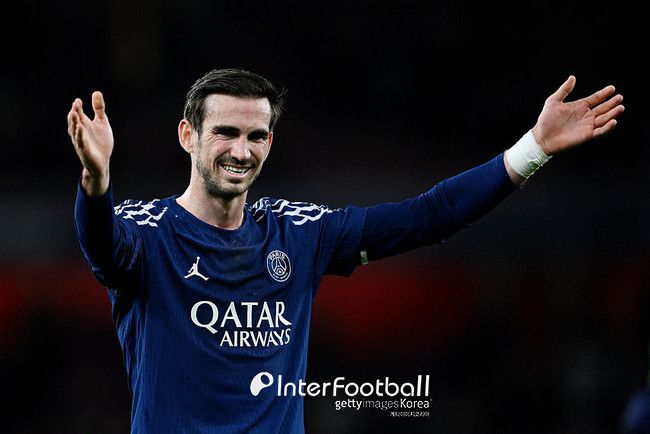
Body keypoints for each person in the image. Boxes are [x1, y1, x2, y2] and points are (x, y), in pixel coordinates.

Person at [67, 68, 624, 433]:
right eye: (226, 132)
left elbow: (425, 217)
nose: (242, 150)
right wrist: (96, 180)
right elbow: (102, 248)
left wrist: (534, 147)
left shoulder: (298, 232)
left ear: (270, 143)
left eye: (256, 136)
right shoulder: (147, 231)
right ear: (188, 135)